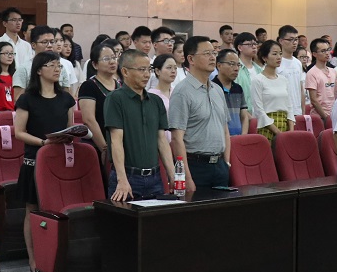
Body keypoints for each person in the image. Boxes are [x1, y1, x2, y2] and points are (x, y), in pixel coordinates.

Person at [9, 51, 76, 272]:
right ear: (39, 70)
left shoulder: (66, 98)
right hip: (35, 160)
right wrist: (43, 143)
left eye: (59, 65)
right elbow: (19, 132)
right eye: (52, 65)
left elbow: (70, 127)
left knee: (59, 207)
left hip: (60, 160)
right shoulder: (27, 98)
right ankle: (33, 257)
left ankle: (58, 254)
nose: (57, 69)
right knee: (32, 209)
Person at [106, 49, 174, 201]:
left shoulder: (156, 101)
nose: (147, 75)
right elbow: (116, 141)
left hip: (155, 178)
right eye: (141, 70)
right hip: (128, 176)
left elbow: (162, 141)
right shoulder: (115, 98)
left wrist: (172, 175)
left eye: (148, 69)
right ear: (125, 71)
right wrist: (122, 179)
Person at [169, 36, 230, 191]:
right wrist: (186, 177)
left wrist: (226, 162)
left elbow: (224, 129)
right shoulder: (182, 92)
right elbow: (177, 139)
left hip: (220, 166)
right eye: (206, 53)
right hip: (196, 166)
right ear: (191, 59)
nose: (212, 57)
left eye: (214, 53)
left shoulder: (217, 89)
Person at [78, 41, 121, 173]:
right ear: (95, 64)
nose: (112, 62)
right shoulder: (89, 86)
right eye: (106, 59)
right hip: (98, 145)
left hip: (119, 146)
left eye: (113, 57)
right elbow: (89, 119)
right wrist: (104, 148)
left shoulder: (120, 86)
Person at [251, 40, 297, 142]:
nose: (279, 57)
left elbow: (289, 106)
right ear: (264, 57)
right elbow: (259, 111)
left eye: (280, 53)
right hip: (267, 127)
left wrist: (291, 131)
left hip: (285, 125)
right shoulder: (258, 80)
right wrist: (278, 132)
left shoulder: (284, 80)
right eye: (275, 54)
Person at [14, 26, 72, 98]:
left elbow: (67, 94)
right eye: (45, 42)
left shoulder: (59, 67)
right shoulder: (24, 69)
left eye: (52, 42)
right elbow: (17, 98)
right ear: (33, 45)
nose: (49, 45)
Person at [212, 49, 249, 136]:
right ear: (219, 65)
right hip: (220, 138)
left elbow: (244, 116)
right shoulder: (211, 88)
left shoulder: (238, 89)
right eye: (231, 64)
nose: (236, 69)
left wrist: (243, 136)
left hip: (239, 138)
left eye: (238, 65)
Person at [277, 25, 305, 120]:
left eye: (296, 39)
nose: (294, 42)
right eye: (290, 39)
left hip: (297, 111)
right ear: (281, 41)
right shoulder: (276, 62)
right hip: (282, 112)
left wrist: (303, 112)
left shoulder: (298, 63)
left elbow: (301, 89)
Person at [306, 38, 337, 123]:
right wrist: (325, 117)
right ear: (314, 54)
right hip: (319, 118)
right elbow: (314, 100)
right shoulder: (311, 73)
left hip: (334, 114)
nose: (327, 53)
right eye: (323, 51)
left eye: (328, 50)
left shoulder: (333, 71)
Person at [234, 31, 261, 108]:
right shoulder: (235, 69)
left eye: (255, 44)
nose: (254, 47)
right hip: (242, 111)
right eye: (249, 44)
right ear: (240, 48)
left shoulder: (260, 70)